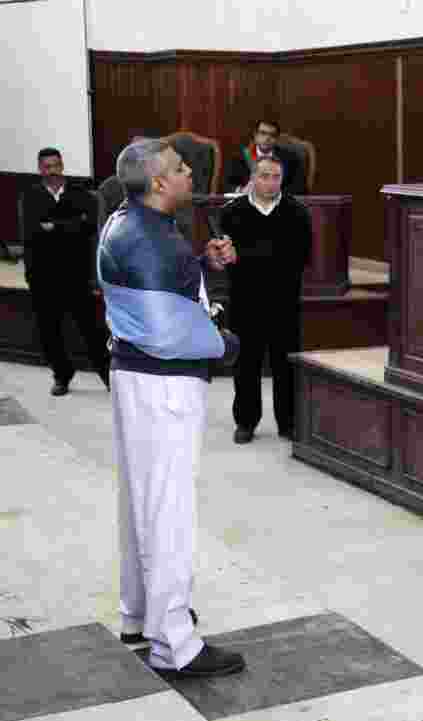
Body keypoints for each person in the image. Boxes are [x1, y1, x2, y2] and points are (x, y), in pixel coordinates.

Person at [97, 138, 244, 678]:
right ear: (157, 183)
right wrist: (224, 344)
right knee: (169, 511)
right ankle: (174, 644)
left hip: (136, 378)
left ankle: (141, 617)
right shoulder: (154, 241)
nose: (189, 175)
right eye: (181, 169)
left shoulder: (128, 221)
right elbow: (169, 330)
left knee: (142, 501)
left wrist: (203, 268)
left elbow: (167, 302)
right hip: (164, 386)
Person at [220, 154, 313, 444]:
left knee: (285, 364)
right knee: (246, 364)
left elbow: (297, 258)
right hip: (244, 300)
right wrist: (246, 258)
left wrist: (245, 257)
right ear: (252, 178)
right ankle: (246, 421)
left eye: (276, 177)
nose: (270, 183)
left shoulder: (297, 212)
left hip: (283, 300)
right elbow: (228, 257)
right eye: (264, 176)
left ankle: (289, 422)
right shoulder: (232, 212)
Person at [20, 147, 110, 396]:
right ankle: (62, 375)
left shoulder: (80, 194)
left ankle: (108, 375)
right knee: (50, 333)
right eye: (47, 167)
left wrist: (53, 227)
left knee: (92, 330)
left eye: (56, 166)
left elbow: (89, 227)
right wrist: (71, 226)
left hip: (77, 275)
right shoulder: (30, 197)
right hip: (44, 277)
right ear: (40, 169)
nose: (52, 172)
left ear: (62, 166)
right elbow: (31, 234)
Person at [225, 119, 307, 195]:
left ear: (277, 139)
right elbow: (227, 185)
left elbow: (300, 187)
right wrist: (241, 190)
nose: (267, 138)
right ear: (255, 135)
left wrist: (274, 192)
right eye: (263, 133)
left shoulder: (290, 158)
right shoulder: (240, 158)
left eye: (272, 135)